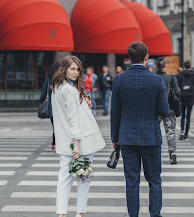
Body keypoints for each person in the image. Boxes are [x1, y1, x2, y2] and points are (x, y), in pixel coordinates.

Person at [111, 42, 169, 217]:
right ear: (146, 58)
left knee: (132, 181)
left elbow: (115, 112)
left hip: (127, 137)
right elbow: (164, 110)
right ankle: (155, 214)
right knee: (154, 180)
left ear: (128, 58)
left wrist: (115, 138)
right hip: (151, 136)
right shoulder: (157, 80)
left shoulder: (119, 79)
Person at [51, 56, 106, 217]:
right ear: (64, 69)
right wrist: (77, 144)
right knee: (83, 177)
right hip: (80, 139)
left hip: (65, 139)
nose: (76, 72)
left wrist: (83, 102)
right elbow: (73, 119)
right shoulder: (69, 89)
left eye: (78, 69)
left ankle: (61, 212)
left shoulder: (58, 86)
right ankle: (80, 212)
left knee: (65, 176)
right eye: (72, 69)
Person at [155, 57, 181, 164]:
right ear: (165, 66)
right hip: (169, 108)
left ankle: (155, 153)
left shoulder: (153, 77)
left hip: (156, 109)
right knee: (170, 131)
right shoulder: (171, 78)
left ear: (156, 66)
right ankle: (172, 152)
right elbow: (178, 92)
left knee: (154, 131)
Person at [176, 60, 194, 141]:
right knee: (188, 116)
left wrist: (178, 96)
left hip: (182, 97)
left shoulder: (179, 75)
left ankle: (181, 131)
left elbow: (177, 87)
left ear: (184, 66)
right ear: (191, 66)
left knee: (183, 116)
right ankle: (186, 135)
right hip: (190, 97)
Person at [40, 62, 60, 150]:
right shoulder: (62, 79)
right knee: (59, 126)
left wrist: (41, 102)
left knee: (55, 126)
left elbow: (43, 91)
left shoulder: (49, 79)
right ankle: (56, 143)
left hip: (52, 107)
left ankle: (55, 143)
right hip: (60, 107)